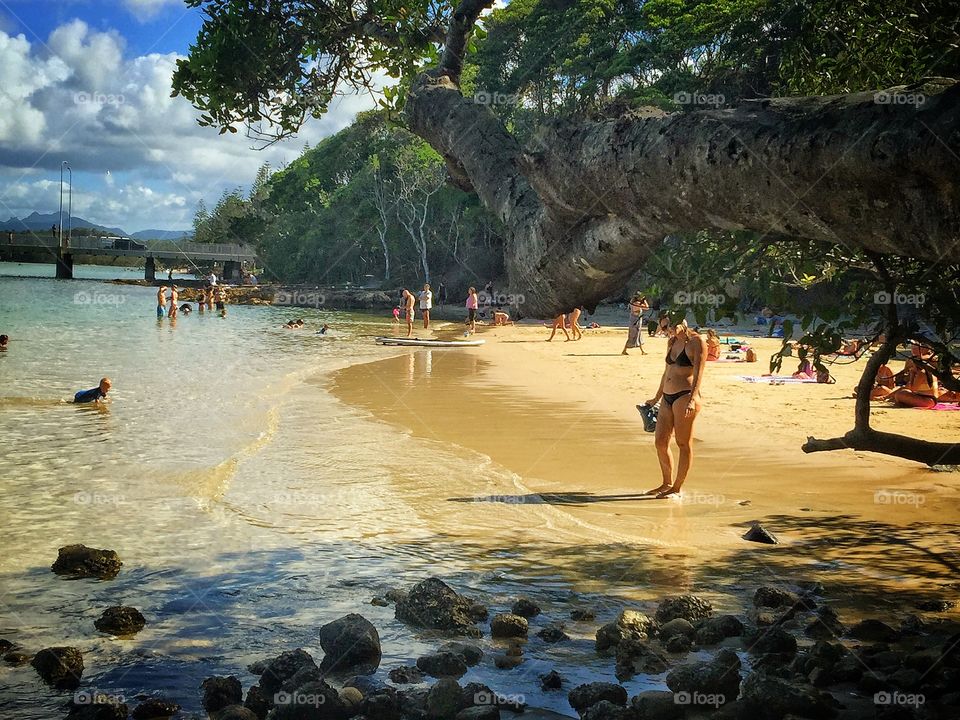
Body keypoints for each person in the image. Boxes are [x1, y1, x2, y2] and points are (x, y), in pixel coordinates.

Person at [644, 320, 707, 498]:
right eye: (664, 327)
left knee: (683, 443)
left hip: (685, 395)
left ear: (682, 322)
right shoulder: (671, 342)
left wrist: (692, 399)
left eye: (670, 326)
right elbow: (667, 372)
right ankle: (666, 483)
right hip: (667, 396)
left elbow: (699, 372)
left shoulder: (697, 342)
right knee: (660, 442)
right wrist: (656, 397)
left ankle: (677, 487)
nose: (667, 330)